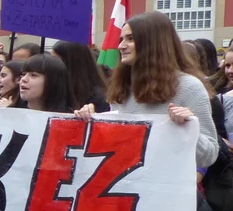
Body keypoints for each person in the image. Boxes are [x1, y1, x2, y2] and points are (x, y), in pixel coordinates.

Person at [76, 11, 218, 170]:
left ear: (154, 43)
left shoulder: (189, 86)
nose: (121, 46)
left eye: (130, 39)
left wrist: (188, 127)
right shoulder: (121, 87)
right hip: (126, 181)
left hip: (166, 183)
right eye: (121, 39)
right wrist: (92, 121)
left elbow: (209, 156)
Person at [51, 40, 110, 112]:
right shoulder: (56, 90)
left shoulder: (98, 99)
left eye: (56, 61)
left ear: (72, 64)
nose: (52, 66)